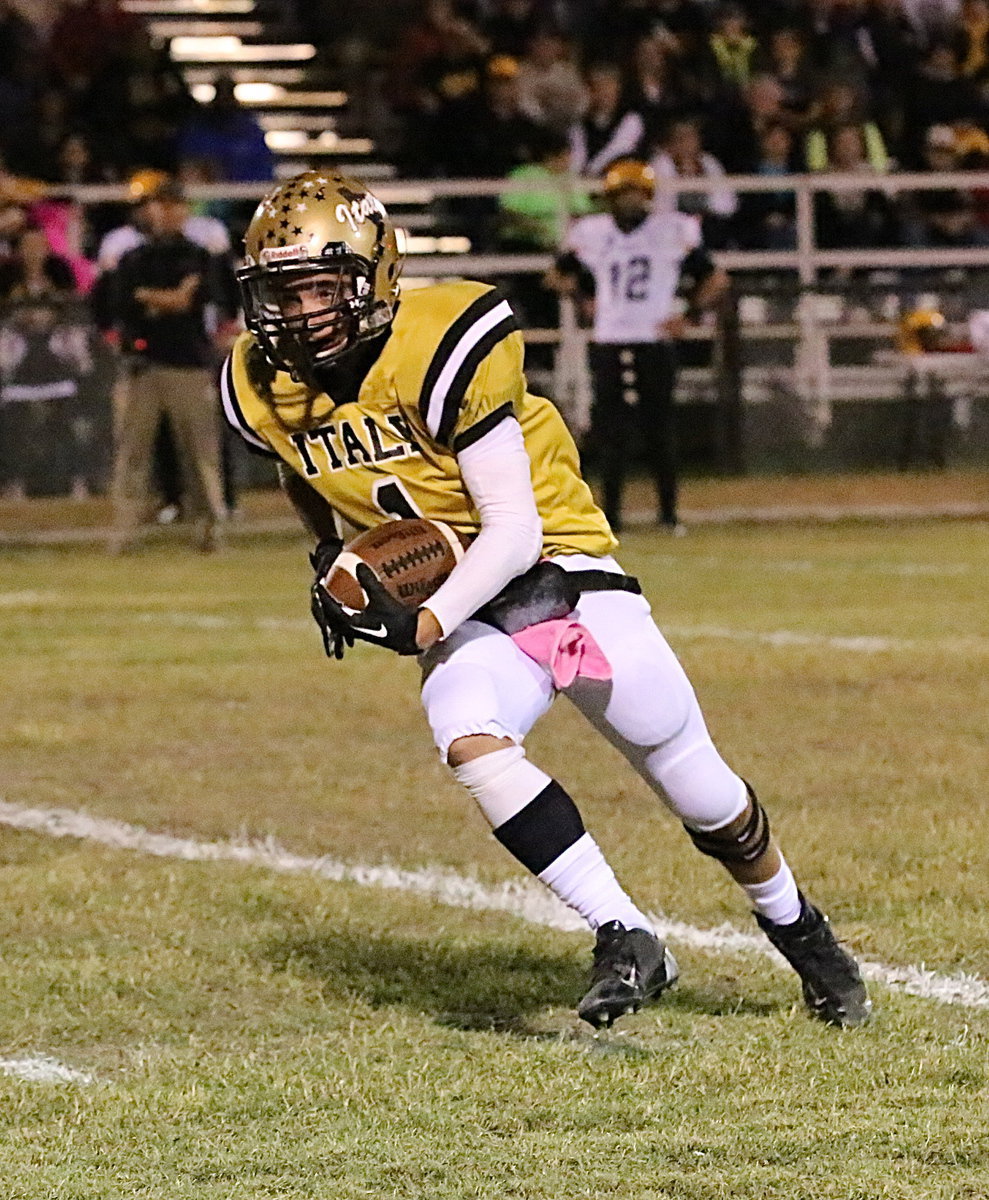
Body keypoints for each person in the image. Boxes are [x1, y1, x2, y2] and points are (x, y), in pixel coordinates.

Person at [221, 169, 871, 1031]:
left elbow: (513, 532)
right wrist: (327, 552)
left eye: (317, 288)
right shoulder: (260, 382)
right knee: (467, 735)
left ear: (372, 277)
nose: (299, 314)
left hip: (559, 565)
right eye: (282, 293)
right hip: (467, 596)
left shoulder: (444, 336)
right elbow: (298, 461)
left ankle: (797, 926)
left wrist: (424, 619)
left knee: (697, 787)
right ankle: (625, 932)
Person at [549, 157, 723, 535]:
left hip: (653, 338)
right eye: (623, 193)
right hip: (610, 338)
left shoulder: (671, 229)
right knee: (612, 433)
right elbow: (556, 276)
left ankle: (668, 514)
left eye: (636, 193)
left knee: (660, 430)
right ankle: (611, 516)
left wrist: (688, 315)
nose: (630, 201)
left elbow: (714, 278)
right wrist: (584, 299)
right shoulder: (593, 232)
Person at [106, 180, 231, 553]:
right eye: (160, 205)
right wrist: (168, 299)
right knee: (132, 455)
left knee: (200, 456)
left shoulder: (197, 255)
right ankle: (125, 533)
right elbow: (124, 305)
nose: (166, 212)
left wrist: (151, 298)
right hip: (142, 367)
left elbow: (184, 301)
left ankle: (209, 531)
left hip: (188, 365)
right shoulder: (134, 258)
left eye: (173, 205)